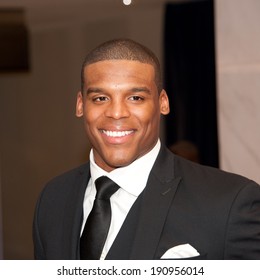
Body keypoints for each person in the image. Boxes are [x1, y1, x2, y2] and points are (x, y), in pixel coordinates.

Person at [33, 38, 260, 260]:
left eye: (135, 97)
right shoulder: (53, 198)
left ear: (163, 102)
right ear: (81, 105)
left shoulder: (230, 202)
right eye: (101, 98)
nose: (117, 112)